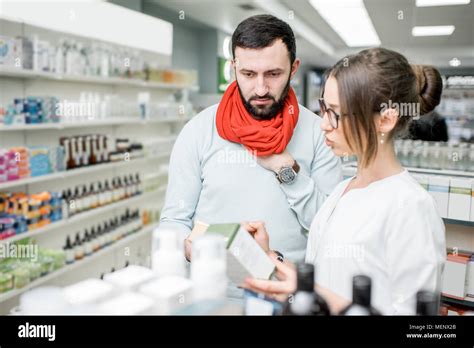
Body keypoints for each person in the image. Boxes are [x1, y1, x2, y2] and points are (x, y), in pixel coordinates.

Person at [243, 48, 446, 315]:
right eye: (324, 109)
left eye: (336, 114)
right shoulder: (343, 190)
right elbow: (327, 279)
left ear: (385, 119)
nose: (323, 124)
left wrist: (316, 295)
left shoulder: (412, 207)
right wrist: (269, 259)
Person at [158, 14, 342, 262]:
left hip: (288, 289)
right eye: (248, 74)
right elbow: (174, 220)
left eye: (273, 74)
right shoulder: (199, 130)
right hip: (213, 288)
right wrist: (194, 250)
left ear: (293, 68)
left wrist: (289, 174)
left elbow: (329, 226)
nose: (261, 88)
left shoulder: (319, 132)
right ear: (234, 68)